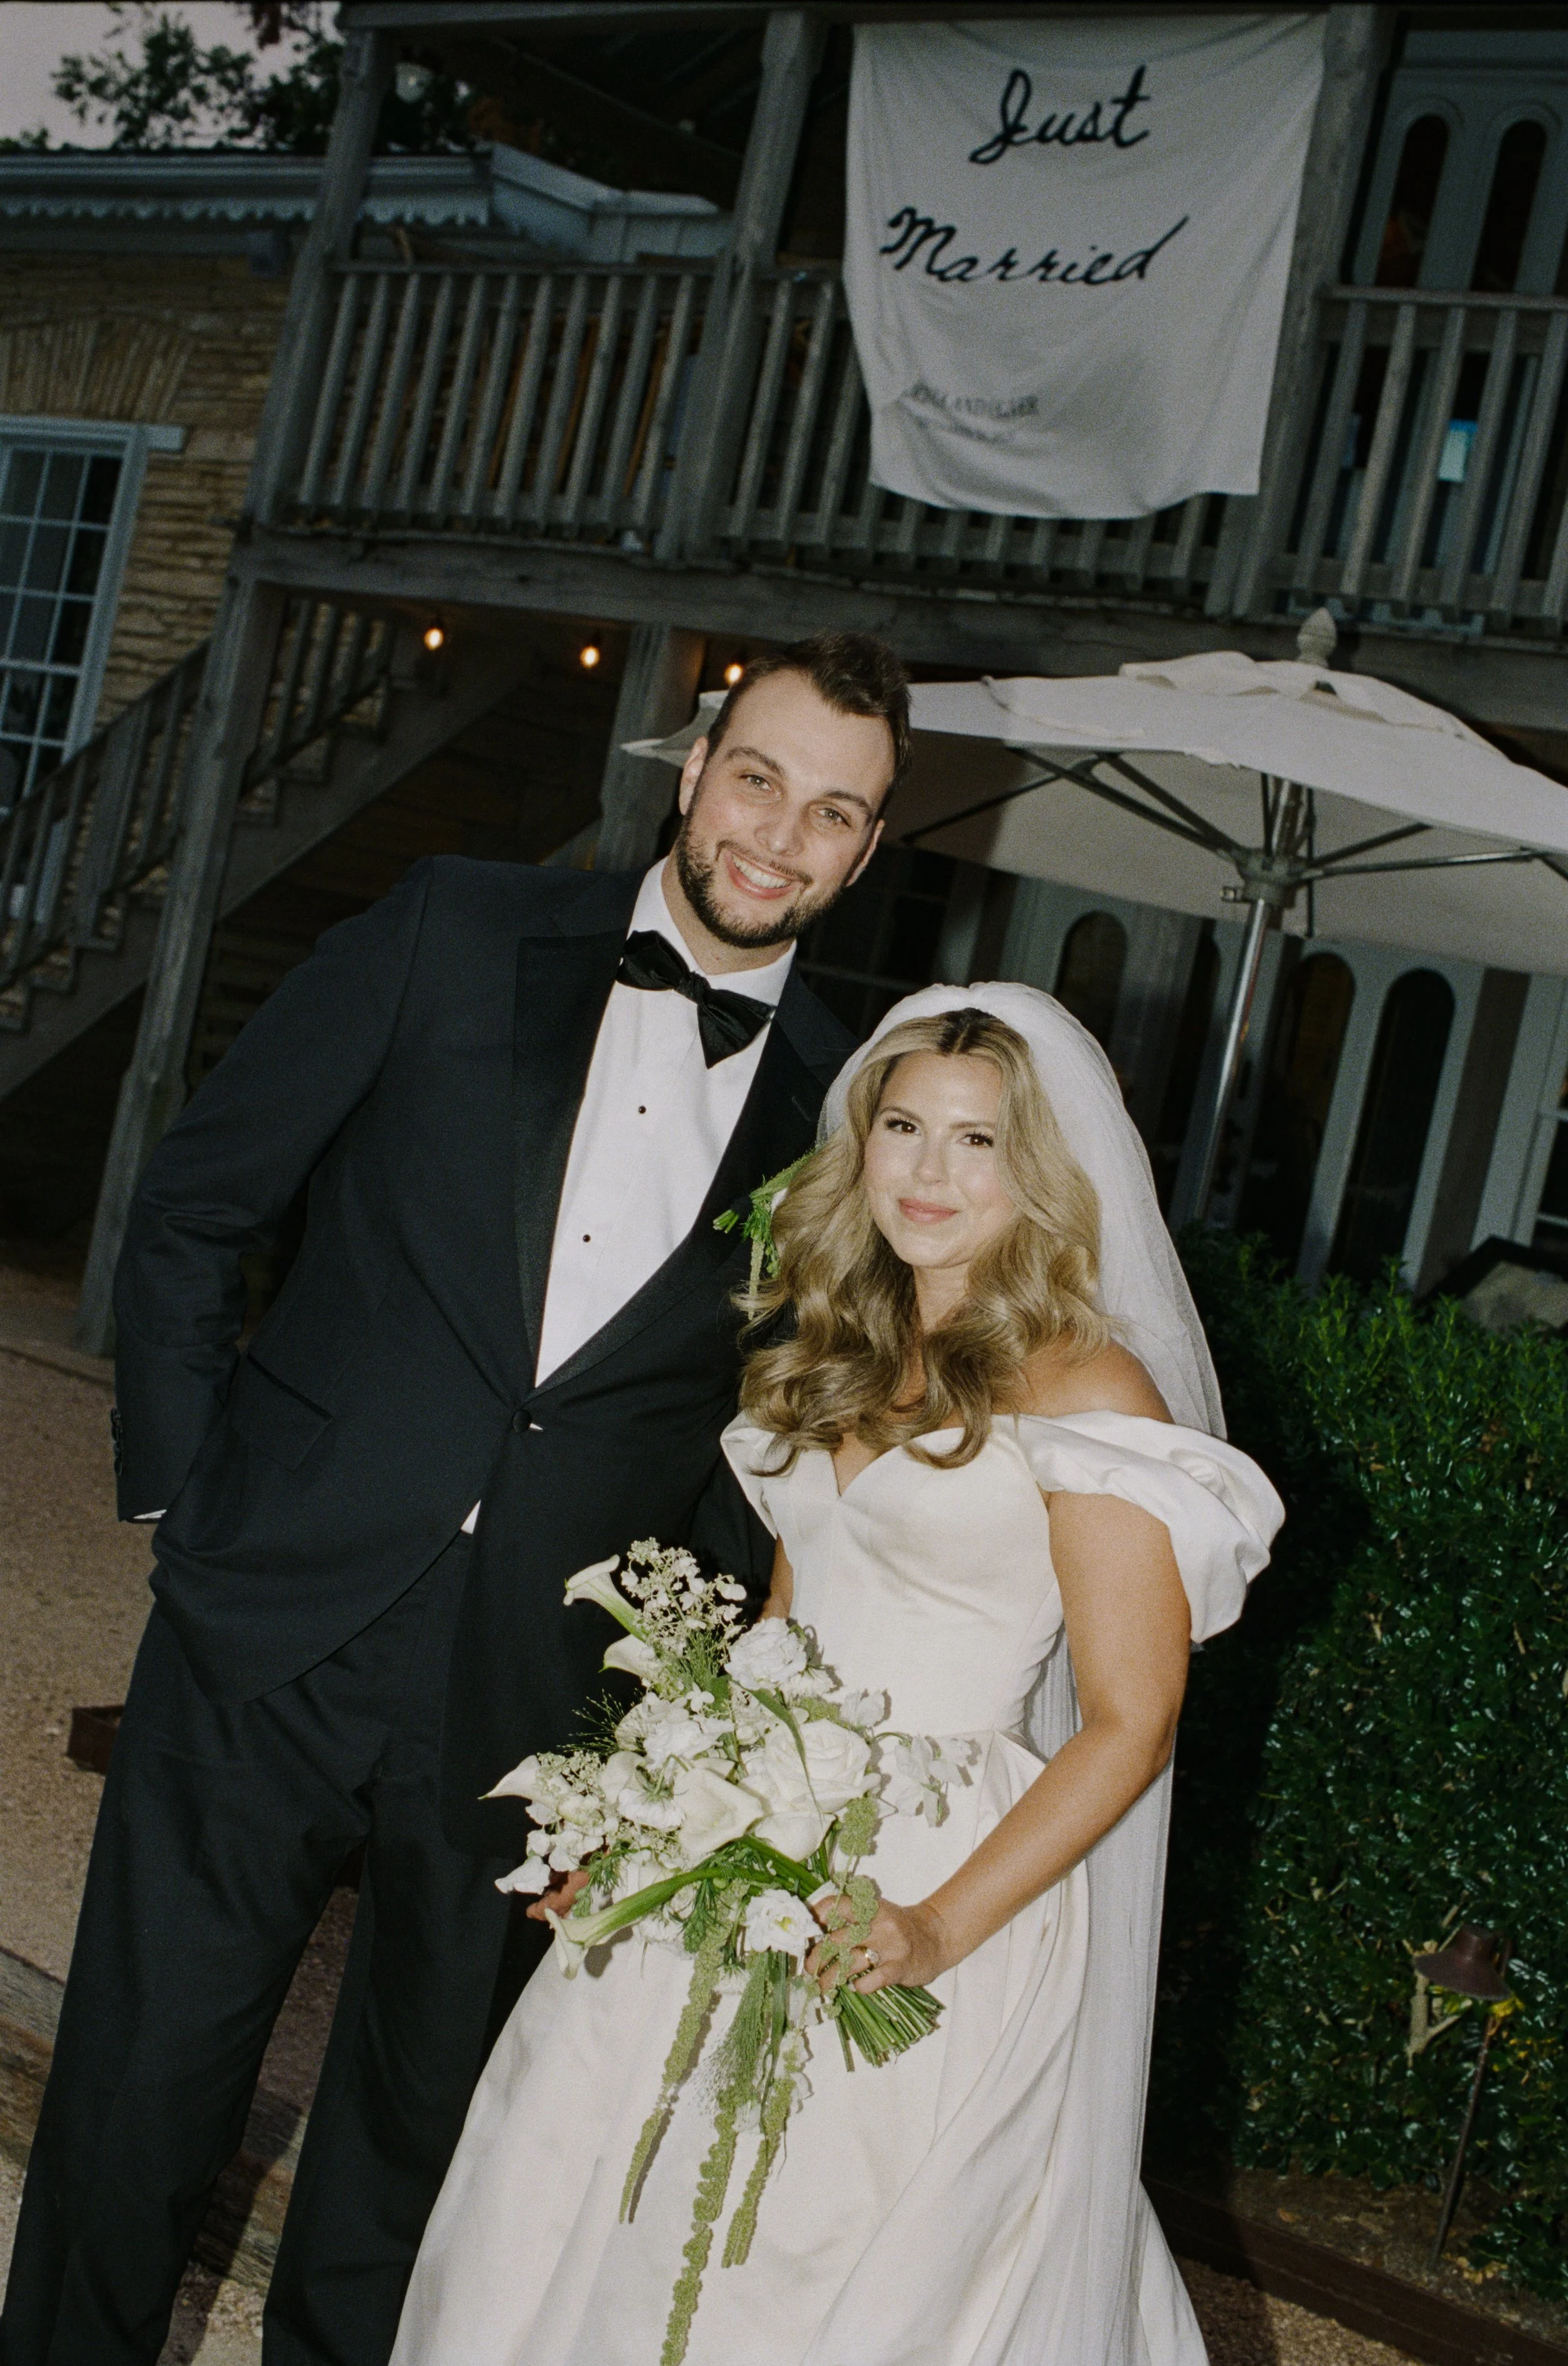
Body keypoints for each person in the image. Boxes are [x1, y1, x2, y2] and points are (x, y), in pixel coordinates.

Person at [1, 632, 909, 2366]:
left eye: (833, 814)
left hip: (546, 1716)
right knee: (137, 2092)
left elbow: (764, 1449)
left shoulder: (854, 1114)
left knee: (409, 2179)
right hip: (270, 1614)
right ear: (693, 762)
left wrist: (681, 1736)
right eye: (759, 780)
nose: (778, 838)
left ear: (867, 852)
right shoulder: (450, 924)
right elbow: (197, 1201)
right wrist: (182, 1508)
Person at [392, 983, 1285, 2366]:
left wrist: (933, 1926)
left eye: (977, 1141)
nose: (928, 1171)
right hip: (751, 1826)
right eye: (903, 1126)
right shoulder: (835, 1354)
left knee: (800, 2253)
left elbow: (1131, 1715)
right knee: (584, 2184)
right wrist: (635, 1835)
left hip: (937, 1862)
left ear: (1037, 1171)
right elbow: (778, 1632)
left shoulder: (1088, 1393)